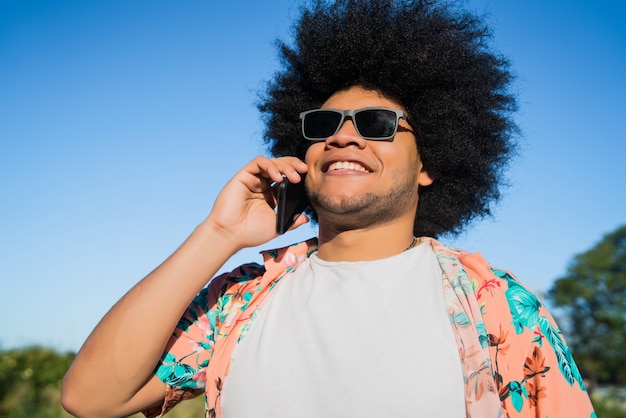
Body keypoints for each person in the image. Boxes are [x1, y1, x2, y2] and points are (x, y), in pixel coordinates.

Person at [61, 0, 596, 417]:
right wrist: (218, 232)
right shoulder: (241, 299)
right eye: (322, 125)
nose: (344, 138)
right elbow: (91, 400)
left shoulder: (499, 308)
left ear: (429, 164)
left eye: (377, 125)